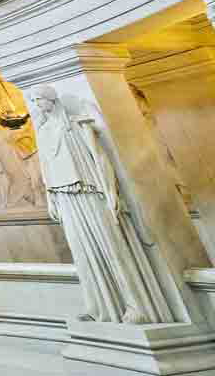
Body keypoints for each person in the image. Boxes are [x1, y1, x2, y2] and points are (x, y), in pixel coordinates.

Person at [28, 85, 172, 324]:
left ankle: (135, 306)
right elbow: (46, 169)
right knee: (83, 253)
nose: (35, 104)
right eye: (33, 100)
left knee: (114, 249)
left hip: (91, 193)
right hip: (66, 199)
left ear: (51, 99)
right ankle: (98, 306)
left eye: (38, 99)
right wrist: (51, 198)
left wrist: (111, 192)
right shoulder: (43, 132)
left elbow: (101, 160)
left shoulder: (76, 125)